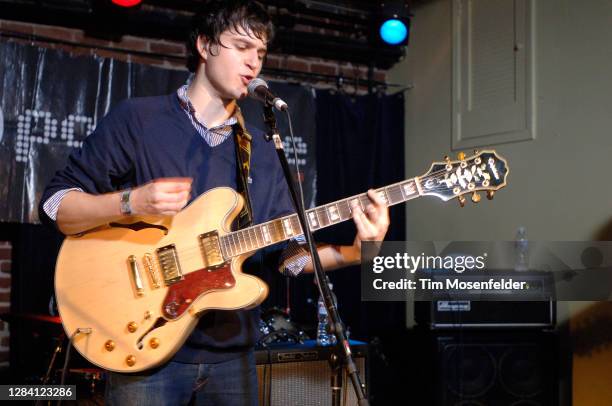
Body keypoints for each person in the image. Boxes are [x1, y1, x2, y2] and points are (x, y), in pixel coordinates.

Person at [39, 1, 389, 404]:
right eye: (241, 47)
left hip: (233, 356)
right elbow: (55, 205)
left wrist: (358, 251)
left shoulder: (260, 148)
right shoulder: (139, 119)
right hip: (146, 344)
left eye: (260, 53)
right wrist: (130, 203)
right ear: (205, 46)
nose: (253, 63)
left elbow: (288, 257)